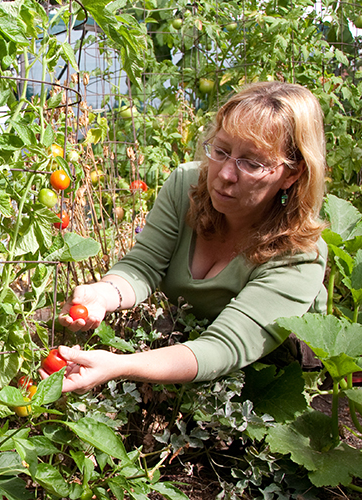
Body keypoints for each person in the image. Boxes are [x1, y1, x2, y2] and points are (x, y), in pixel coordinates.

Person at [47, 81, 328, 393]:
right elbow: (144, 266)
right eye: (221, 151)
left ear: (292, 173)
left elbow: (224, 348)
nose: (224, 174)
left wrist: (119, 365)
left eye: (251, 162)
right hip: (192, 341)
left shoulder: (299, 254)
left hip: (269, 371)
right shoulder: (186, 187)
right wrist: (102, 294)